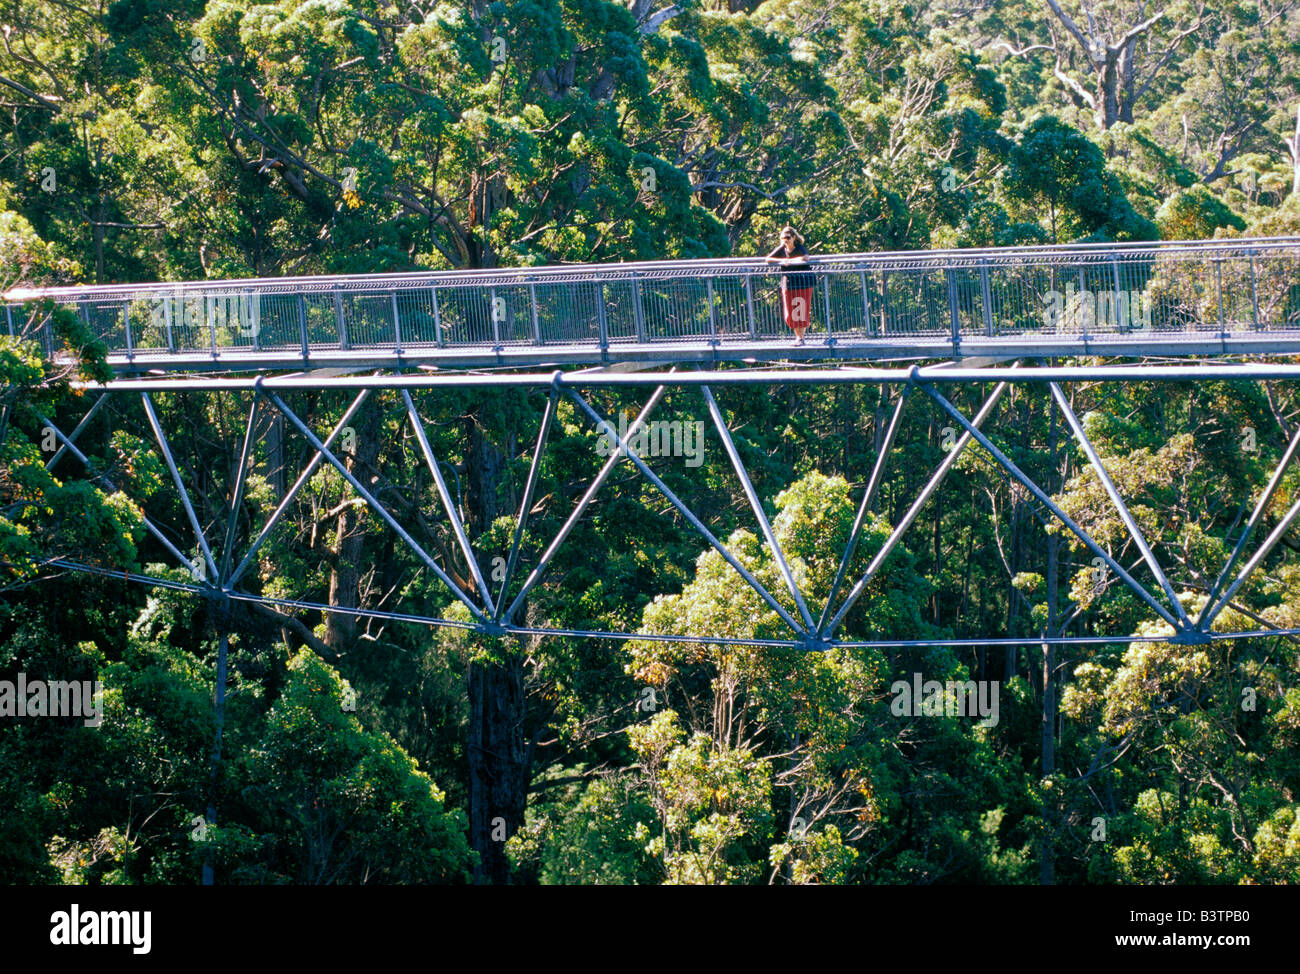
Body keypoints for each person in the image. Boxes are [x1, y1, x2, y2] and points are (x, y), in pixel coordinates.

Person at [766, 226, 816, 345]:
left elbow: (805, 257)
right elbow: (768, 259)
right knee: (790, 311)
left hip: (803, 283)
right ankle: (798, 337)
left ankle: (800, 338)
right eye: (783, 237)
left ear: (794, 237)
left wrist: (792, 261)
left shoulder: (799, 248)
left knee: (801, 310)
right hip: (788, 284)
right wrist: (781, 261)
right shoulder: (782, 249)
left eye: (788, 237)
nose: (785, 240)